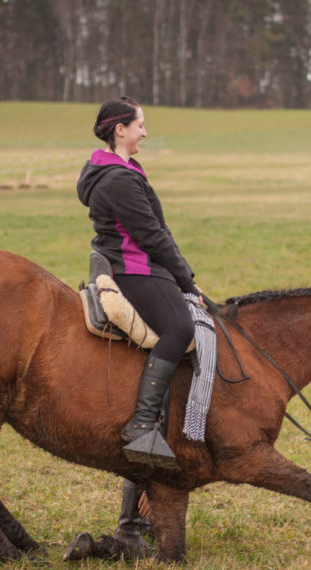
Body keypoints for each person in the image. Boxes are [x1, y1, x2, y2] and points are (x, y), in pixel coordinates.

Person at [77, 96, 202, 470]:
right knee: (179, 328)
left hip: (136, 263)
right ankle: (143, 422)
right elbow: (152, 236)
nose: (145, 132)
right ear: (120, 129)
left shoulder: (120, 169)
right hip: (134, 268)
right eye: (140, 126)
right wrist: (186, 279)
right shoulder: (118, 179)